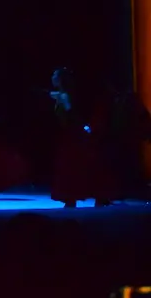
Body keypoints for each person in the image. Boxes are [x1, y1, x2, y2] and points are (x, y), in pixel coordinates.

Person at [48, 68, 113, 207]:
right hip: (68, 134)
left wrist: (83, 128)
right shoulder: (62, 95)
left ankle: (75, 198)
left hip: (71, 135)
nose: (52, 77)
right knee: (74, 166)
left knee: (73, 166)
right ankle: (83, 197)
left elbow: (71, 113)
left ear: (60, 79)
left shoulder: (65, 96)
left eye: (55, 75)